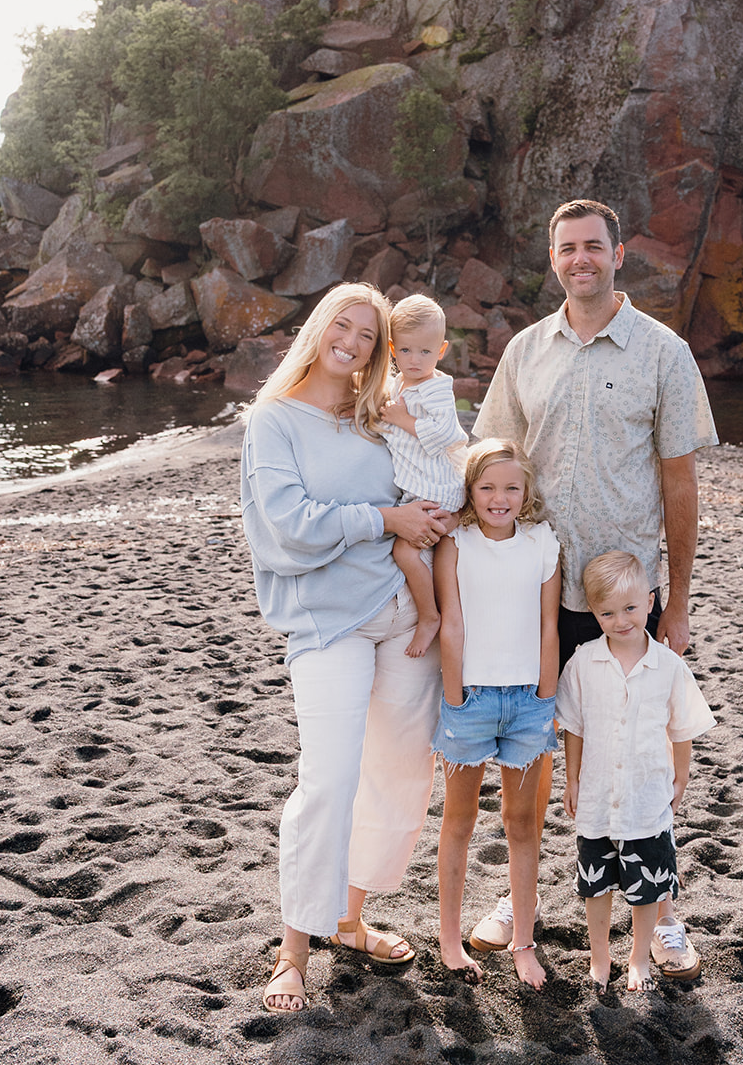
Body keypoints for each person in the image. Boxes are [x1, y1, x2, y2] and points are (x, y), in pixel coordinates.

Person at [469, 198, 717, 969]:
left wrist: (675, 603)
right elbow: (486, 466)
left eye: (593, 247)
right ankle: (521, 897)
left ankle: (663, 916)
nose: (580, 259)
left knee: (638, 754)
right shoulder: (524, 352)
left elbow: (680, 483)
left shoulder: (662, 352)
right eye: (567, 248)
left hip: (620, 599)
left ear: (617, 256)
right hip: (533, 593)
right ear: (553, 259)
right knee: (530, 752)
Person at [240, 282, 450, 1014]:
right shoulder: (273, 420)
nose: (354, 343)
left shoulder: (373, 414)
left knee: (400, 771)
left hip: (405, 612)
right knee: (327, 779)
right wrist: (384, 517)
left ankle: (349, 918)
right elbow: (288, 525)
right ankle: (293, 951)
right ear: (318, 329)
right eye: (345, 326)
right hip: (328, 622)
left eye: (369, 336)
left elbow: (431, 475)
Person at [432, 438, 561, 990]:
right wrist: (456, 696)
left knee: (522, 823)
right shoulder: (455, 544)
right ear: (471, 491)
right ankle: (450, 939)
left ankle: (524, 944)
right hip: (472, 701)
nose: (499, 498)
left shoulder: (542, 542)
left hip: (530, 703)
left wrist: (545, 698)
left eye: (511, 487)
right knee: (459, 821)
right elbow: (451, 622)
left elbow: (548, 626)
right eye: (486, 487)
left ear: (526, 492)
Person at [556, 550, 716, 992]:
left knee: (647, 886)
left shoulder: (668, 666)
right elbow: (574, 726)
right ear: (594, 613)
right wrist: (571, 778)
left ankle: (639, 957)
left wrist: (680, 776)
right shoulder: (584, 662)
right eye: (607, 612)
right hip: (597, 795)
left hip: (646, 795)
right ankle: (600, 956)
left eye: (630, 608)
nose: (621, 620)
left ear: (649, 601)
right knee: (596, 885)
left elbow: (682, 725)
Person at [379, 294, 468, 658]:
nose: (415, 361)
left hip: (436, 488)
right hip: (416, 487)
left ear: (441, 351)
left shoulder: (436, 389)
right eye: (407, 351)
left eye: (425, 353)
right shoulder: (395, 385)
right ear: (392, 349)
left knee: (404, 551)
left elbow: (447, 433)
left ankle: (429, 615)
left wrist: (402, 420)